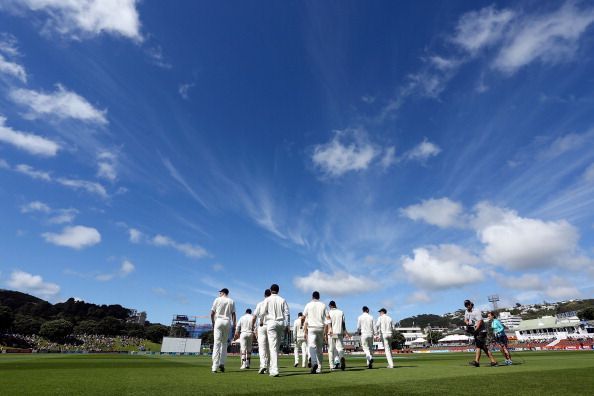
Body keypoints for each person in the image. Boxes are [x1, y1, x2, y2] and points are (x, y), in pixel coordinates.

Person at [260, 283, 290, 377]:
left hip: (271, 323)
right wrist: (287, 325)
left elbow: (262, 312)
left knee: (272, 347)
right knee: (276, 347)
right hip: (280, 323)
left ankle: (274, 369)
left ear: (270, 290)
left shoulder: (267, 299)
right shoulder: (282, 299)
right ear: (278, 290)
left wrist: (261, 321)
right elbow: (287, 313)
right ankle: (272, 367)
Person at [464, 300, 497, 367]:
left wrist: (475, 330)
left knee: (479, 346)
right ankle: (493, 361)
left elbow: (480, 321)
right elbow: (465, 319)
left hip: (481, 331)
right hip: (476, 330)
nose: (467, 306)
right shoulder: (466, 311)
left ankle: (477, 362)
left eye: (468, 304)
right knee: (483, 347)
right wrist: (468, 324)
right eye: (465, 305)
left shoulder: (476, 311)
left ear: (471, 304)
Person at [210, 288, 236, 373]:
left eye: (220, 292)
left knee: (217, 343)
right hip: (227, 322)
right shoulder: (231, 301)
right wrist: (234, 325)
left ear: (223, 292)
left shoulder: (217, 299)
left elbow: (212, 313)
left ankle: (214, 366)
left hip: (218, 321)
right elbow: (233, 314)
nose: (219, 293)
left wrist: (213, 322)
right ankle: (222, 363)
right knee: (224, 343)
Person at [303, 291, 328, 374]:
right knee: (319, 349)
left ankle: (314, 362)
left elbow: (303, 317)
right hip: (320, 328)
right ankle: (319, 368)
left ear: (312, 297)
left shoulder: (308, 304)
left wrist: (302, 323)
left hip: (311, 328)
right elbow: (328, 317)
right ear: (319, 297)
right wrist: (329, 328)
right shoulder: (323, 305)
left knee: (311, 346)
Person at [253, 289, 271, 374]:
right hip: (270, 326)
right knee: (270, 348)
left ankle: (263, 365)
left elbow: (254, 317)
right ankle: (269, 367)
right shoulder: (272, 303)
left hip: (262, 326)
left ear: (264, 295)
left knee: (262, 347)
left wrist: (252, 327)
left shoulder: (260, 304)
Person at [327, 300, 348, 371]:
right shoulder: (341, 312)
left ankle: (332, 366)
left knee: (331, 350)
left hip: (331, 333)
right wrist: (344, 331)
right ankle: (341, 358)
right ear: (335, 305)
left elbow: (327, 324)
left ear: (330, 306)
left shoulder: (328, 312)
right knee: (340, 348)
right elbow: (343, 323)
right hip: (339, 332)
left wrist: (325, 333)